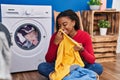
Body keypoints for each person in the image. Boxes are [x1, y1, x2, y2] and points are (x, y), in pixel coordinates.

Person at [38, 9, 103, 79]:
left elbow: (92, 60)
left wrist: (82, 50)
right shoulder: (56, 36)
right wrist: (55, 43)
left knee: (98, 67)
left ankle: (65, 76)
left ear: (73, 23)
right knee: (42, 67)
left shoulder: (84, 36)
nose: (62, 28)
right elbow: (49, 60)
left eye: (65, 24)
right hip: (61, 66)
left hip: (79, 65)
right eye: (59, 26)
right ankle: (77, 76)